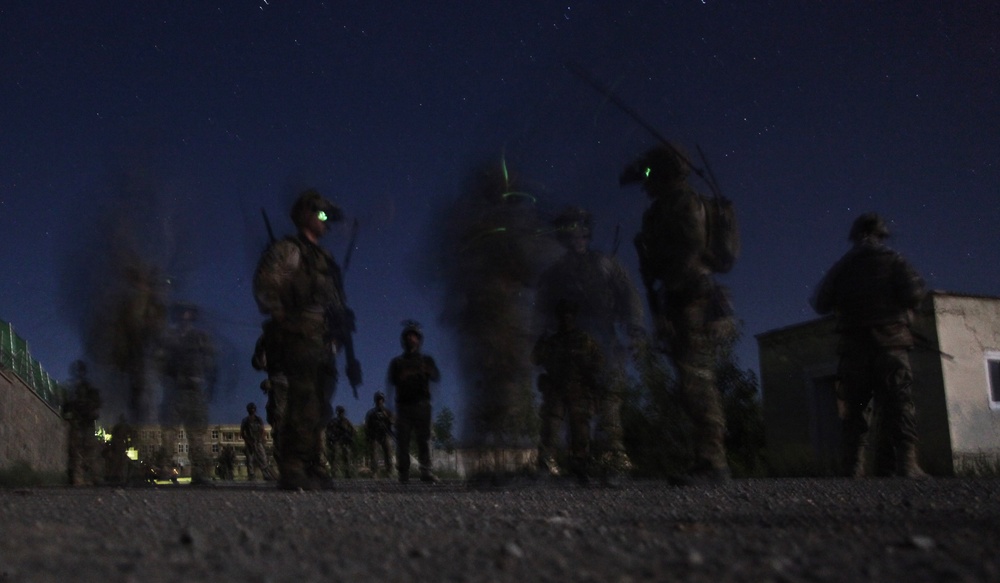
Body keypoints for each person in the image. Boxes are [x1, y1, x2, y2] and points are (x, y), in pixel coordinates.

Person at [622, 144, 738, 484]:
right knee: (689, 382)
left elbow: (691, 263)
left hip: (694, 299)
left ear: (666, 173)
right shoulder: (661, 210)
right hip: (677, 300)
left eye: (650, 174)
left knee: (697, 379)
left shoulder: (686, 205)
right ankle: (704, 459)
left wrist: (678, 305)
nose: (645, 183)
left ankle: (713, 462)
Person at [254, 188, 358, 490]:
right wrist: (284, 318)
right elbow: (265, 285)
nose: (326, 221)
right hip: (298, 336)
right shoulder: (290, 250)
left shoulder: (323, 258)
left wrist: (341, 328)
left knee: (320, 403)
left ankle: (312, 463)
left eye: (327, 216)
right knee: (302, 400)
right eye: (321, 214)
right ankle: (293, 465)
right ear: (305, 215)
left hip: (323, 339)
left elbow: (335, 301)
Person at [811, 212, 928, 478]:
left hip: (854, 348)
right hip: (891, 345)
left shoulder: (842, 267)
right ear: (881, 234)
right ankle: (907, 465)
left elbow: (820, 303)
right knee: (900, 403)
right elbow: (915, 293)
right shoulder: (894, 261)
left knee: (856, 409)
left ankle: (853, 467)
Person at [535, 206, 645, 481]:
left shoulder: (604, 263)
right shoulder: (553, 274)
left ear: (586, 231)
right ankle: (577, 461)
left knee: (609, 398)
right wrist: (542, 341)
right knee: (570, 404)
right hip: (568, 346)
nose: (573, 234)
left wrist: (635, 327)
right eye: (567, 228)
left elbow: (628, 294)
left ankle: (613, 458)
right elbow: (542, 312)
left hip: (603, 339)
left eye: (577, 227)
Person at [531, 300, 605, 483]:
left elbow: (599, 362)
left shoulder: (585, 339)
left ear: (574, 316)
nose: (566, 317)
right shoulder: (551, 341)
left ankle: (579, 466)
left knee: (580, 428)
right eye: (563, 314)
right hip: (555, 389)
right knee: (550, 428)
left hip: (578, 390)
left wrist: (589, 369)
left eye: (569, 314)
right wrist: (541, 341)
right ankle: (546, 465)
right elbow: (535, 359)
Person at [159, 303, 217, 486]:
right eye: (182, 315)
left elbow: (211, 363)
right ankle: (163, 471)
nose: (185, 318)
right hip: (174, 392)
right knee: (168, 434)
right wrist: (170, 378)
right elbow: (159, 362)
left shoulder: (200, 338)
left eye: (188, 315)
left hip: (194, 391)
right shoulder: (169, 338)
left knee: (197, 434)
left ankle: (199, 473)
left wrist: (206, 383)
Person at [387, 321, 441, 484]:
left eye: (414, 336)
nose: (411, 339)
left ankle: (426, 472)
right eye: (408, 336)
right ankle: (403, 473)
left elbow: (436, 376)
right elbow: (392, 382)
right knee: (402, 441)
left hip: (422, 405)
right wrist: (391, 408)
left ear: (419, 339)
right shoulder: (397, 362)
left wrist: (426, 370)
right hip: (403, 406)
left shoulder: (427, 360)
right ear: (404, 340)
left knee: (424, 439)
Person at [63, 360, 102, 486]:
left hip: (86, 424)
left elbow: (97, 405)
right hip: (77, 424)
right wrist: (69, 415)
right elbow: (66, 407)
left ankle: (90, 478)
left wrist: (90, 410)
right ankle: (77, 478)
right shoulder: (73, 390)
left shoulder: (89, 390)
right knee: (75, 452)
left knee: (89, 452)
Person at [241, 402, 276, 481]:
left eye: (253, 409)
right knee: (250, 459)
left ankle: (266, 474)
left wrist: (260, 439)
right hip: (249, 442)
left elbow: (262, 430)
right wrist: (248, 441)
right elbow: (242, 433)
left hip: (258, 442)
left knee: (263, 458)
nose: (252, 410)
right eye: (251, 409)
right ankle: (251, 476)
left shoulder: (258, 419)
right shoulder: (245, 420)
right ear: (248, 410)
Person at [365, 392, 396, 478]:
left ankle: (389, 472)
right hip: (375, 435)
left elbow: (393, 422)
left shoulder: (387, 412)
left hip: (385, 435)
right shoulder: (371, 413)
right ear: (375, 401)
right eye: (378, 399)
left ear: (383, 400)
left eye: (381, 399)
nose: (379, 401)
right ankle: (375, 472)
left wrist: (388, 420)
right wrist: (368, 436)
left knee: (388, 453)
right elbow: (367, 426)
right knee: (374, 454)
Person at [326, 405, 356, 478]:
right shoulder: (333, 421)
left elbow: (353, 430)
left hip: (345, 441)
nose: (341, 413)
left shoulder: (346, 421)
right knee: (335, 456)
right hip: (337, 440)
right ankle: (334, 473)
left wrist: (350, 437)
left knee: (347, 456)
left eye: (342, 412)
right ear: (337, 412)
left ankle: (347, 473)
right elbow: (328, 431)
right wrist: (331, 438)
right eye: (340, 412)